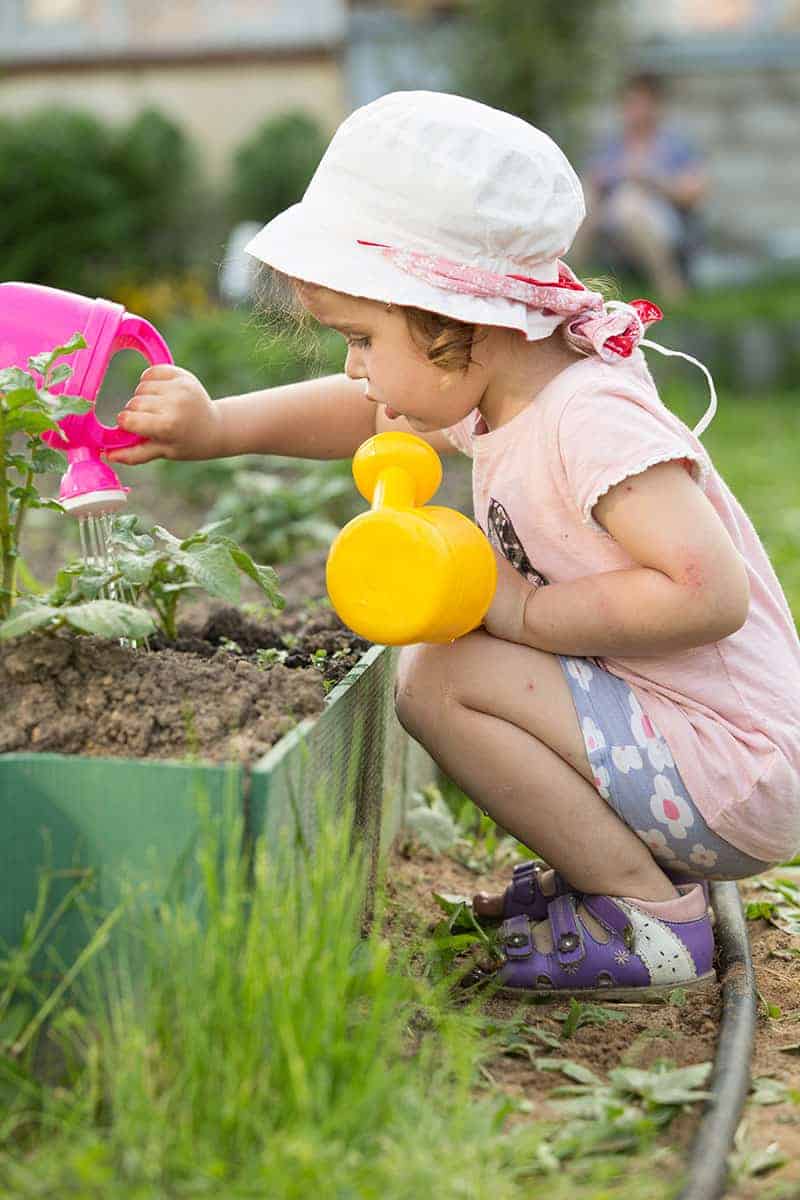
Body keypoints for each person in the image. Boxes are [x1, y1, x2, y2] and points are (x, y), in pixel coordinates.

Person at [108, 91, 800, 1000]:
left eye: (361, 338)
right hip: (689, 758)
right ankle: (620, 872)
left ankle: (650, 921)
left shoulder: (587, 420)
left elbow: (708, 593)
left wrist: (525, 611)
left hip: (732, 768)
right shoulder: (500, 383)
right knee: (453, 665)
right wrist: (216, 427)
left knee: (445, 676)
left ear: (454, 320)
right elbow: (363, 409)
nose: (353, 366)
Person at [574, 72, 708, 300]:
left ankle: (670, 287)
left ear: (657, 106)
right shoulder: (612, 146)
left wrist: (652, 179)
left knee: (629, 204)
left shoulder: (675, 146)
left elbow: (693, 192)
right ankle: (572, 283)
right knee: (585, 202)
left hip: (663, 222)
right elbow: (590, 179)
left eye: (642, 103)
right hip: (610, 222)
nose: (635, 110)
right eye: (630, 102)